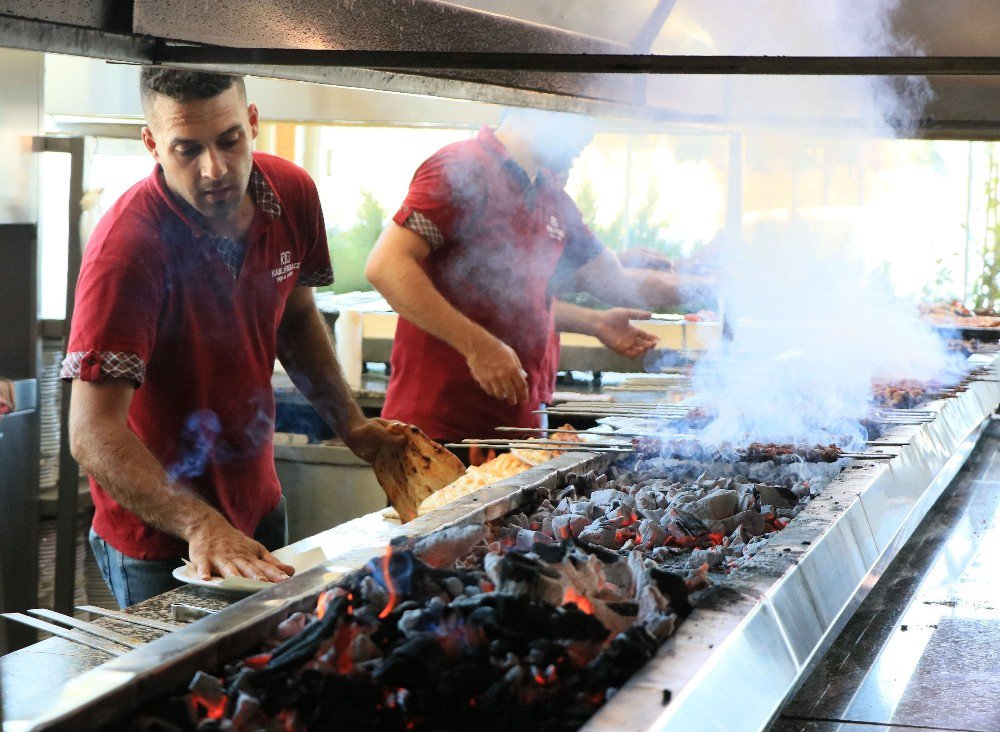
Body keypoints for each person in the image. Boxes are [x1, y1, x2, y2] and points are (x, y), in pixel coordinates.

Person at [62, 68, 406, 607]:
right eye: (187, 150)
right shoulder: (127, 249)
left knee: (266, 670)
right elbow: (91, 433)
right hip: (166, 542)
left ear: (252, 122)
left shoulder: (291, 194)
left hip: (260, 508)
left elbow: (294, 315)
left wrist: (352, 424)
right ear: (152, 144)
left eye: (229, 141)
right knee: (178, 689)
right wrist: (201, 525)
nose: (216, 169)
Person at [366, 107, 713, 443]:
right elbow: (386, 265)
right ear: (542, 109)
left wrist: (717, 286)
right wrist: (479, 347)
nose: (590, 135)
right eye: (582, 117)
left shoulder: (552, 196)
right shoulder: (461, 167)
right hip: (439, 431)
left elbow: (620, 282)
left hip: (519, 431)